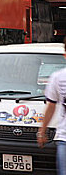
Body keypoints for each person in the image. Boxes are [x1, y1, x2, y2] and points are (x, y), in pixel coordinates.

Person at [38, 37, 66, 175]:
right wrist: (42, 131)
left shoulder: (57, 77)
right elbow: (51, 106)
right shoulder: (58, 78)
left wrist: (41, 132)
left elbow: (51, 106)